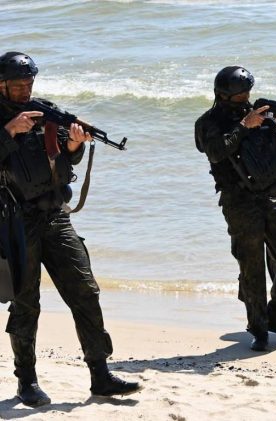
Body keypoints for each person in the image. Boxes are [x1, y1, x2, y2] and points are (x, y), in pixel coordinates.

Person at [0, 51, 141, 407]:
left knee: (85, 292)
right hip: (16, 222)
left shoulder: (44, 111)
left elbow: (66, 156)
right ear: (1, 85)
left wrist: (76, 142)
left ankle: (101, 375)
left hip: (55, 216)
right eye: (18, 85)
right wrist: (8, 132)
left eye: (29, 83)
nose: (25, 90)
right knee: (26, 303)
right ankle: (27, 381)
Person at [195, 66, 276, 351]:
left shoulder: (262, 113)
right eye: (241, 95)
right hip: (239, 202)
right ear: (223, 95)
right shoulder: (208, 122)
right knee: (252, 268)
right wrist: (243, 126)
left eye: (248, 92)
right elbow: (215, 152)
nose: (246, 98)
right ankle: (259, 328)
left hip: (272, 196)